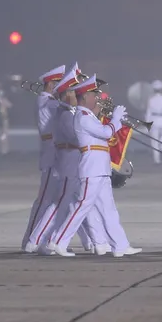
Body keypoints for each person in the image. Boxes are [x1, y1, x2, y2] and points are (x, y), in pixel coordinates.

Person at [44, 75, 139, 257]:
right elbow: (105, 132)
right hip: (91, 169)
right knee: (81, 207)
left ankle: (120, 245)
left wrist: (115, 121)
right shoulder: (81, 116)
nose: (97, 98)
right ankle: (58, 242)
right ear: (84, 97)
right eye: (94, 94)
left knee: (108, 209)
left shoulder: (90, 116)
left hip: (100, 168)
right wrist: (116, 120)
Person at [22, 65, 67, 250]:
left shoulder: (49, 100)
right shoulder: (46, 100)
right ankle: (30, 242)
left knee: (53, 199)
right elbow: (67, 109)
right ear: (52, 84)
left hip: (56, 152)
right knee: (45, 201)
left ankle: (43, 241)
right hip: (51, 153)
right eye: (60, 84)